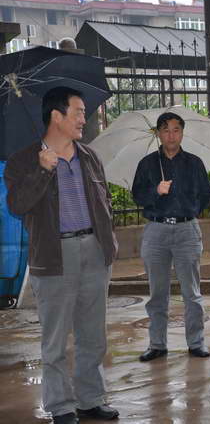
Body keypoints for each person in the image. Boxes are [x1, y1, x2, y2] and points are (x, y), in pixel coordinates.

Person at [4, 87, 119, 424]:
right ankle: (61, 407)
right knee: (55, 340)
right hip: (54, 255)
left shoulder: (89, 156)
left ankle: (90, 399)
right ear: (57, 116)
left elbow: (104, 201)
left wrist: (108, 243)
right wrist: (42, 170)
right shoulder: (23, 161)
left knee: (92, 335)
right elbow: (17, 206)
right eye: (78, 112)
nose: (84, 118)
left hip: (94, 252)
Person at [132, 112, 210, 362]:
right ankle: (157, 344)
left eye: (176, 130)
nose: (171, 135)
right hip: (156, 231)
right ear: (159, 133)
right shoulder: (147, 164)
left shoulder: (194, 163)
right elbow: (137, 196)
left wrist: (189, 210)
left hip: (187, 230)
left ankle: (196, 342)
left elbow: (206, 196)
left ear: (182, 133)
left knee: (192, 292)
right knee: (158, 293)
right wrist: (156, 191)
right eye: (166, 130)